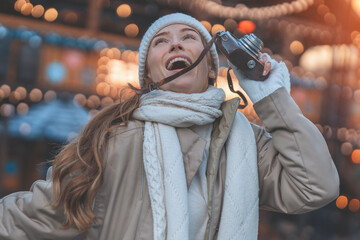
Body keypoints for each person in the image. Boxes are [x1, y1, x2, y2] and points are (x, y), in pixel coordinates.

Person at [0, 13, 339, 240]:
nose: (175, 44)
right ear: (149, 74)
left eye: (189, 37)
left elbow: (314, 186)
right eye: (161, 41)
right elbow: (35, 215)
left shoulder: (246, 142)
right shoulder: (113, 138)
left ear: (210, 66)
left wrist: (272, 99)